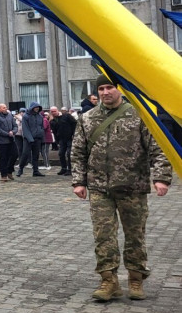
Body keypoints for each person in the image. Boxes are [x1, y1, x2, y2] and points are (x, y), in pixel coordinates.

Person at [71, 75, 171, 301]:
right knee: (103, 236)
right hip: (99, 188)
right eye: (101, 88)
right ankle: (109, 281)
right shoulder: (87, 118)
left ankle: (136, 279)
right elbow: (77, 151)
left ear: (120, 89)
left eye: (110, 87)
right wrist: (78, 181)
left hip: (132, 187)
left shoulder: (139, 115)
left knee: (135, 235)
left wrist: (161, 178)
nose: (106, 92)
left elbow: (157, 147)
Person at [17, 102, 45, 177]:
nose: (37, 108)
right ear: (32, 108)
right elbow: (25, 129)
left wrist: (42, 137)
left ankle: (35, 171)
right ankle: (20, 169)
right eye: (36, 107)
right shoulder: (26, 116)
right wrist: (30, 139)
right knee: (25, 154)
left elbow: (41, 127)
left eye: (38, 107)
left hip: (37, 138)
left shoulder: (40, 116)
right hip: (28, 139)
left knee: (36, 155)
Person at [0, 103, 18, 182]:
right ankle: (4, 175)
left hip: (11, 139)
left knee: (15, 154)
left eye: (6, 107)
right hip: (2, 141)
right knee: (3, 158)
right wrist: (7, 134)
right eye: (3, 108)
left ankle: (9, 170)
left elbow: (15, 125)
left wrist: (13, 132)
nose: (5, 109)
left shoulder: (9, 115)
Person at [52, 107, 77, 176]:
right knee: (61, 153)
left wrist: (73, 134)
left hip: (69, 137)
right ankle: (64, 168)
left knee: (69, 154)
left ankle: (70, 169)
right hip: (61, 139)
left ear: (58, 111)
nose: (53, 113)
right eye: (52, 111)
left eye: (54, 111)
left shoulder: (66, 116)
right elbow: (54, 131)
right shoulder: (53, 121)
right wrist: (57, 141)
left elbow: (75, 123)